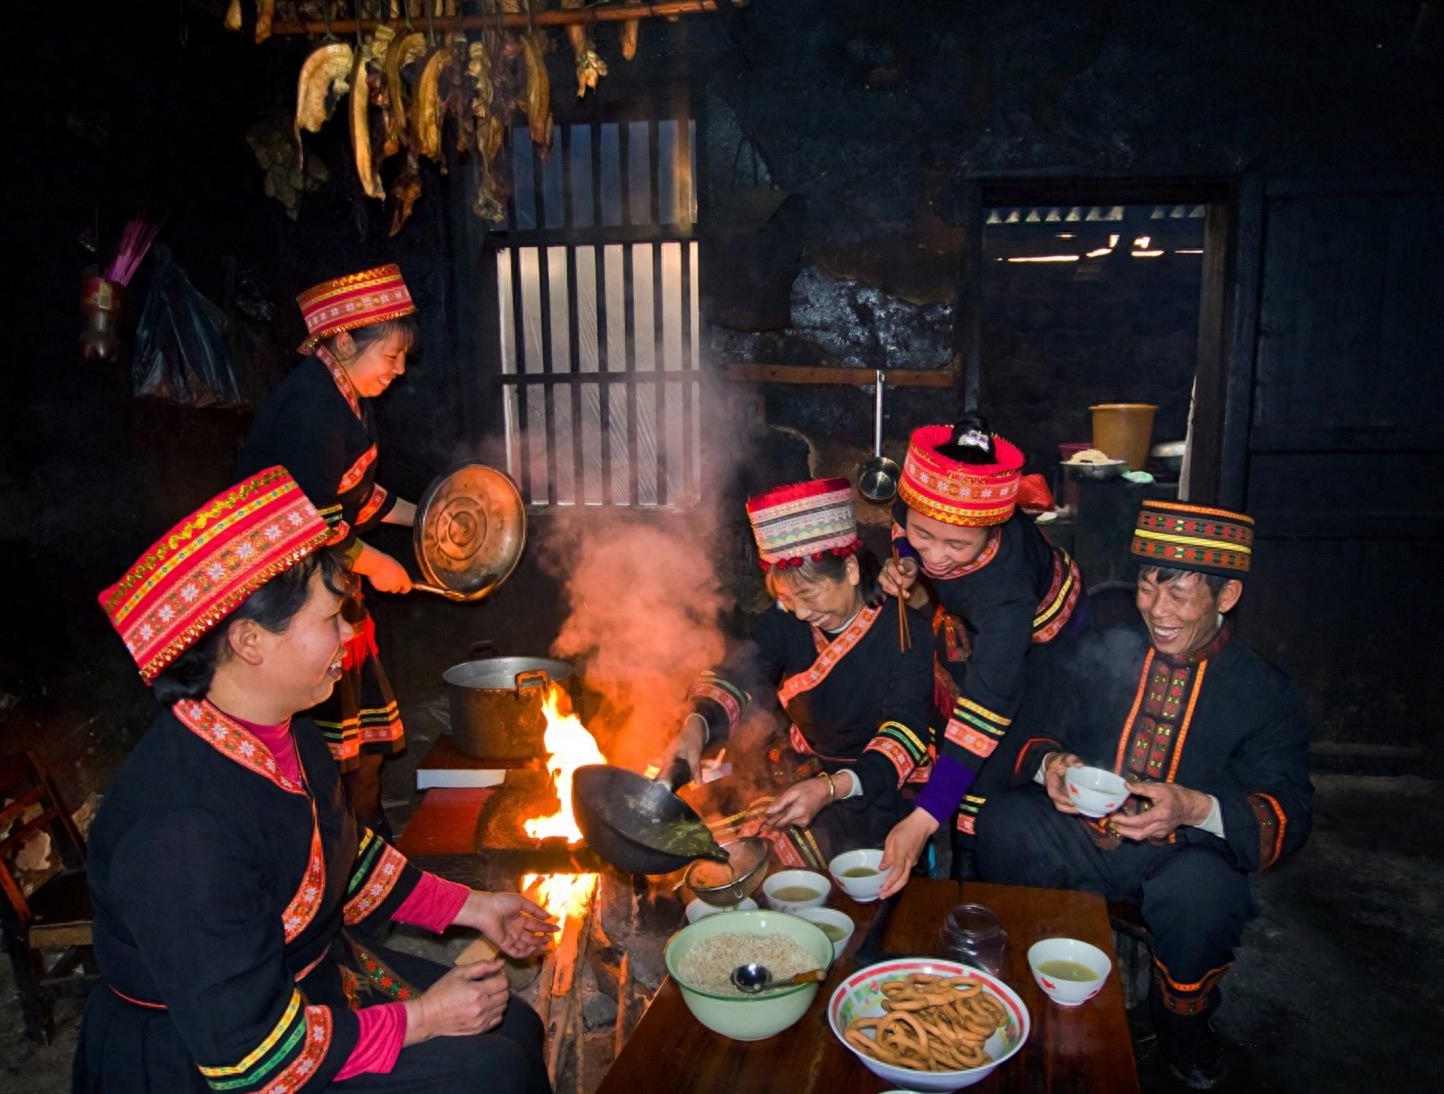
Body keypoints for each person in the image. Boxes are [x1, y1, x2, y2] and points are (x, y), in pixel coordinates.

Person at [75, 467, 557, 1094]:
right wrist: (427, 1017)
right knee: (490, 1071)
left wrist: (477, 908)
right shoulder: (180, 835)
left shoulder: (292, 733)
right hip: (217, 1058)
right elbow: (251, 1059)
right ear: (249, 641)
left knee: (514, 1027)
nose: (351, 633)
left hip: (307, 981)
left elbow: (345, 859)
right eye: (331, 617)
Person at [975, 499, 1313, 1089]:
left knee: (1203, 894)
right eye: (1149, 588)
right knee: (1002, 822)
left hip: (1179, 853)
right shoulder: (1106, 643)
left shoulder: (1264, 694)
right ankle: (1032, 983)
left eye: (1178, 594)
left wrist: (1193, 808)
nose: (1156, 610)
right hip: (1080, 834)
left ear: (1225, 597)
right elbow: (1036, 723)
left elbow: (1289, 814)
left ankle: (1182, 1033)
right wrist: (1050, 765)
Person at [659, 477, 934, 859]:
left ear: (851, 570)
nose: (801, 612)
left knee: (769, 859)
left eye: (807, 594)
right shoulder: (786, 621)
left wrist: (831, 788)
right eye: (787, 600)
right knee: (708, 838)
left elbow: (905, 732)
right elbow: (739, 672)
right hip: (807, 771)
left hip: (877, 787)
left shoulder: (905, 631)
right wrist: (696, 726)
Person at [238, 263, 420, 834]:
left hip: (330, 590)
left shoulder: (346, 394)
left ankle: (366, 845)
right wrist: (375, 561)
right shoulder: (310, 405)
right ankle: (342, 854)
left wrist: (432, 517)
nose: (399, 369)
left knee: (360, 752)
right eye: (390, 356)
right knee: (326, 756)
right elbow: (308, 518)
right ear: (342, 341)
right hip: (285, 599)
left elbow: (357, 495)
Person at [876, 416, 1084, 895]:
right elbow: (903, 530)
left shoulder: (1006, 596)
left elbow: (982, 716)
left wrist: (924, 819)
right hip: (973, 622)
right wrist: (906, 559)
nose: (936, 557)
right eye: (924, 534)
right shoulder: (915, 510)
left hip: (1048, 634)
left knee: (994, 751)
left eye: (956, 544)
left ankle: (972, 872)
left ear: (993, 531)